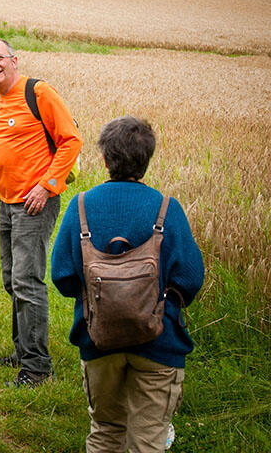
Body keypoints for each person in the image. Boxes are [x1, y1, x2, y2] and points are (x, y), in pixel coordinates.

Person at [51, 116, 204, 453]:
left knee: (105, 432)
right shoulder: (168, 209)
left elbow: (62, 276)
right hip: (159, 344)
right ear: (147, 159)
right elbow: (191, 279)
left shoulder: (81, 207)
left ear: (105, 159)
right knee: (148, 441)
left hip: (98, 341)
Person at [0, 38, 81, 387]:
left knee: (27, 282)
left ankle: (36, 368)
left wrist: (47, 185)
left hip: (36, 203)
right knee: (11, 279)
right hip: (6, 203)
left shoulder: (39, 93)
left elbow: (71, 140)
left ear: (14, 60)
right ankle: (23, 351)